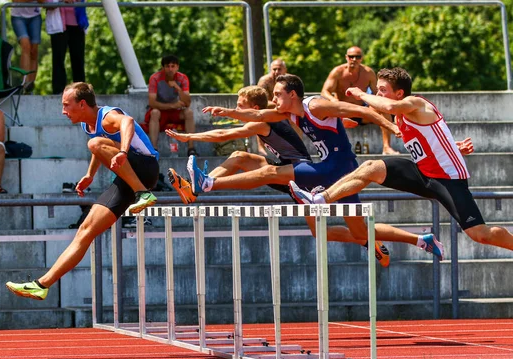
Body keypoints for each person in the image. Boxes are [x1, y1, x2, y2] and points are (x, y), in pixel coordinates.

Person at [175, 81, 444, 265]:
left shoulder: (314, 105)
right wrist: (229, 111)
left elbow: (361, 110)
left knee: (269, 171)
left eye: (278, 94)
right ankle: (421, 240)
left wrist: (392, 126)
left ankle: (207, 183)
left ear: (292, 94)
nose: (274, 99)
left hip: (333, 169)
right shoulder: (290, 115)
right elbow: (258, 117)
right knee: (361, 232)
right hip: (329, 172)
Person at [290, 67, 513, 252]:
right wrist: (454, 147)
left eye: (382, 90)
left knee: (480, 235)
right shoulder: (402, 116)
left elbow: (388, 106)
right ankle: (320, 200)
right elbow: (431, 138)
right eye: (376, 89)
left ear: (399, 93)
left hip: (448, 180)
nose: (378, 94)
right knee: (371, 167)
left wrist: (361, 95)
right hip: (422, 173)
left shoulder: (415, 103)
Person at [5, 82, 159, 300]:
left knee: (94, 143)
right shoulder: (87, 125)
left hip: (145, 167)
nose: (63, 111)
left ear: (83, 104)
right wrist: (90, 175)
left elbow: (128, 122)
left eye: (67, 105)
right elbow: (100, 147)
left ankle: (143, 193)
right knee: (85, 229)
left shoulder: (106, 116)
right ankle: (41, 284)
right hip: (128, 179)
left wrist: (123, 151)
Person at [321, 46, 398, 155]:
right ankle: (332, 151)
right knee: (324, 111)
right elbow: (325, 91)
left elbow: (378, 93)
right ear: (346, 57)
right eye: (351, 57)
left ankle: (387, 147)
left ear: (361, 58)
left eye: (357, 57)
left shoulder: (368, 72)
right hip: (343, 112)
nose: (354, 59)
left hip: (361, 111)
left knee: (382, 109)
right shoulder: (338, 72)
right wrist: (334, 101)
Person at [144, 54, 197, 155]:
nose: (170, 69)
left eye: (173, 66)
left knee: (189, 113)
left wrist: (177, 87)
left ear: (177, 67)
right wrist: (172, 106)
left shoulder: (182, 78)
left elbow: (187, 103)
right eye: (167, 66)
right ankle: (154, 148)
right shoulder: (155, 78)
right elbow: (152, 103)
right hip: (160, 111)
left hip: (175, 112)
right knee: (154, 113)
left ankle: (191, 148)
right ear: (163, 68)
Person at [45, 0, 88, 95]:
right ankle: (58, 90)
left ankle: (81, 91)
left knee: (78, 59)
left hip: (77, 24)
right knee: (58, 58)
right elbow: (45, 3)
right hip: (58, 26)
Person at [11, 0, 44, 93]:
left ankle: (31, 85)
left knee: (34, 51)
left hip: (35, 17)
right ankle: (25, 83)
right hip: (18, 17)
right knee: (26, 46)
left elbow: (42, 1)